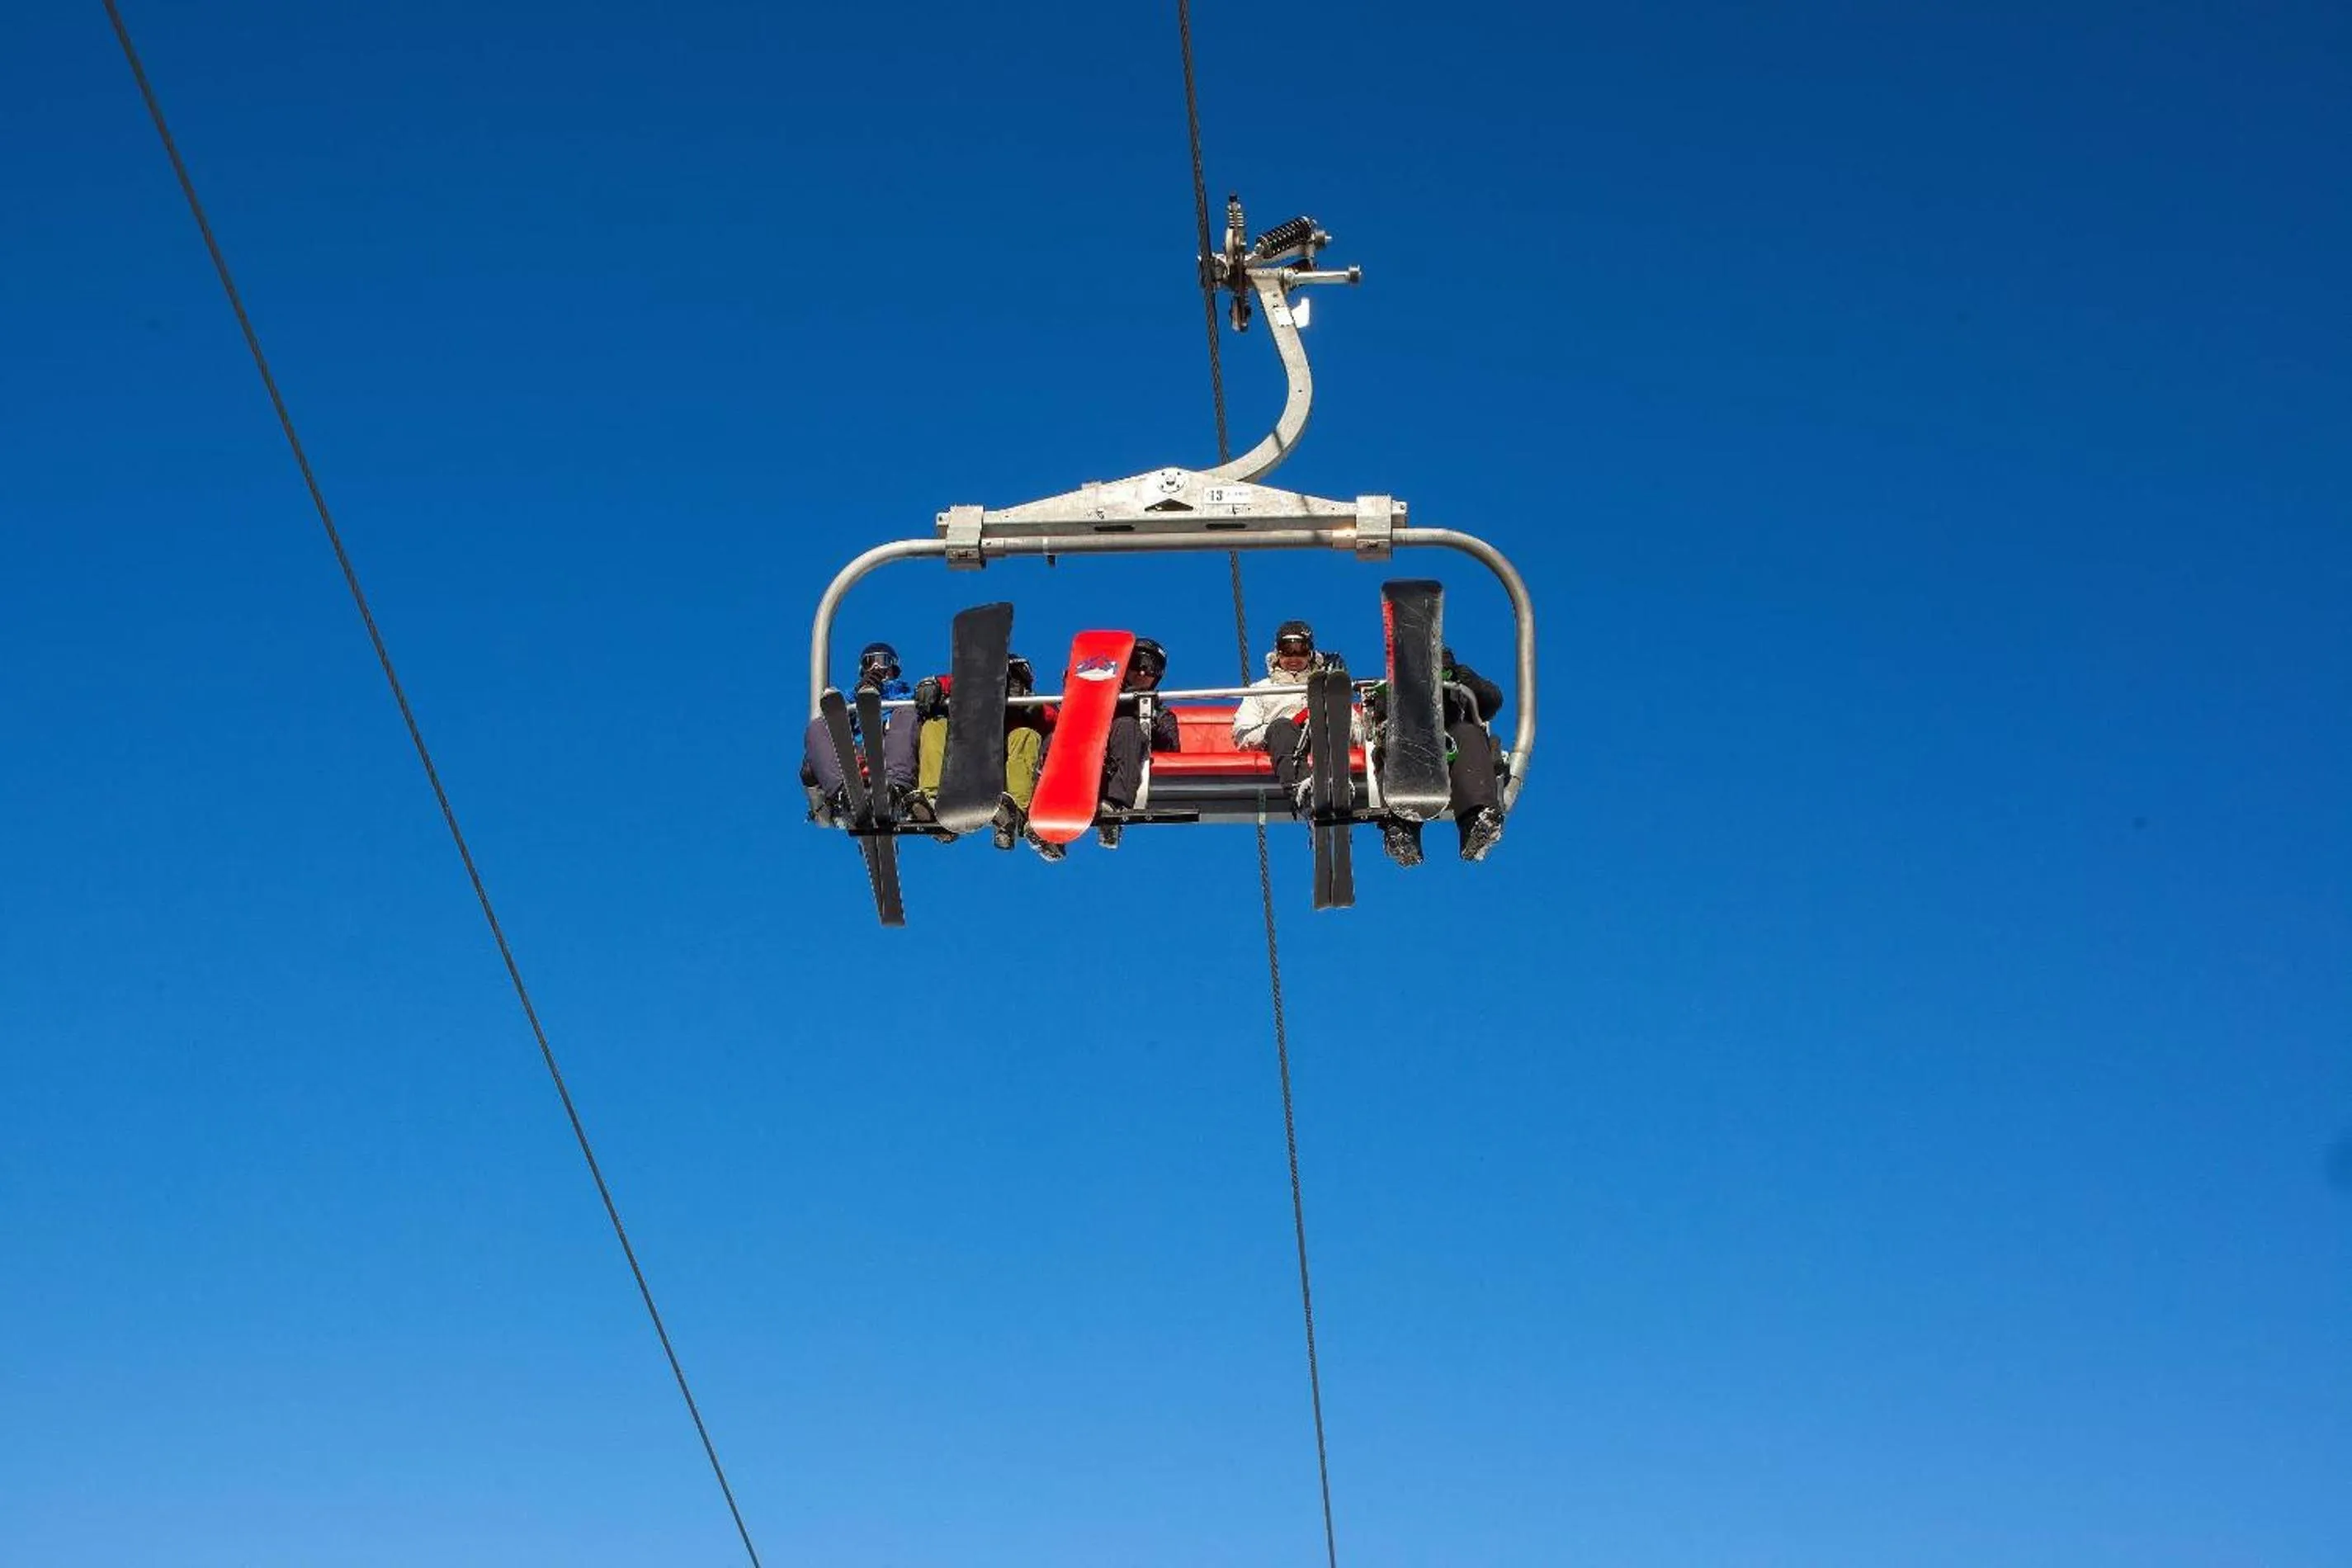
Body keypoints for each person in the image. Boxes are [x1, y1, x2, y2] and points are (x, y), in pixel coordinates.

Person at [906, 653, 1059, 857]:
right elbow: (952, 683)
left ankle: (1013, 811)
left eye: (1015, 678)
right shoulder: (974, 691)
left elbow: (1057, 723)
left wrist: (1033, 709)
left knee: (1025, 736)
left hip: (1001, 773)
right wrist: (933, 685)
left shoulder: (1029, 711)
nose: (1009, 683)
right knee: (935, 725)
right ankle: (933, 800)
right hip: (970, 757)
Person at [1372, 644, 1508, 866]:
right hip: (1413, 743)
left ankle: (1476, 820)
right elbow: (1381, 717)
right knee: (1397, 745)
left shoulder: (1459, 686)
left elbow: (1492, 702)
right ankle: (1402, 830)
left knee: (1470, 734)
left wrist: (1464, 680)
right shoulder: (1395, 688)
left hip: (1452, 740)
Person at [1231, 619, 1361, 814]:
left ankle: (1338, 781)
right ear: (1277, 653)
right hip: (1283, 742)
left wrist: (1330, 711)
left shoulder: (1323, 688)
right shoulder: (1262, 689)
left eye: (1300, 650)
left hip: (1319, 735)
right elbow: (1243, 734)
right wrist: (1281, 727)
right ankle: (1303, 790)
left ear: (1310, 653)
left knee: (1325, 718)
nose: (1294, 657)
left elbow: (1357, 733)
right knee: (1282, 727)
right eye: (1287, 650)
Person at [801, 640, 918, 814]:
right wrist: (859, 694)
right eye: (869, 662)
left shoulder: (908, 699)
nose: (876, 666)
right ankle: (843, 793)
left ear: (893, 668)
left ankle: (896, 790)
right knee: (818, 726)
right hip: (856, 753)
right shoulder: (848, 701)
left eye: (883, 660)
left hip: (892, 753)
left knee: (906, 714)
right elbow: (834, 722)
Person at [1096, 636, 1181, 848]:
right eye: (1137, 663)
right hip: (1092, 753)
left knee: (1127, 726)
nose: (1143, 672)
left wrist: (1148, 716)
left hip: (1125, 763)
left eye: (1151, 668)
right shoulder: (1100, 696)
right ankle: (1043, 813)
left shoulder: (1161, 712)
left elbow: (1172, 749)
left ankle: (1113, 808)